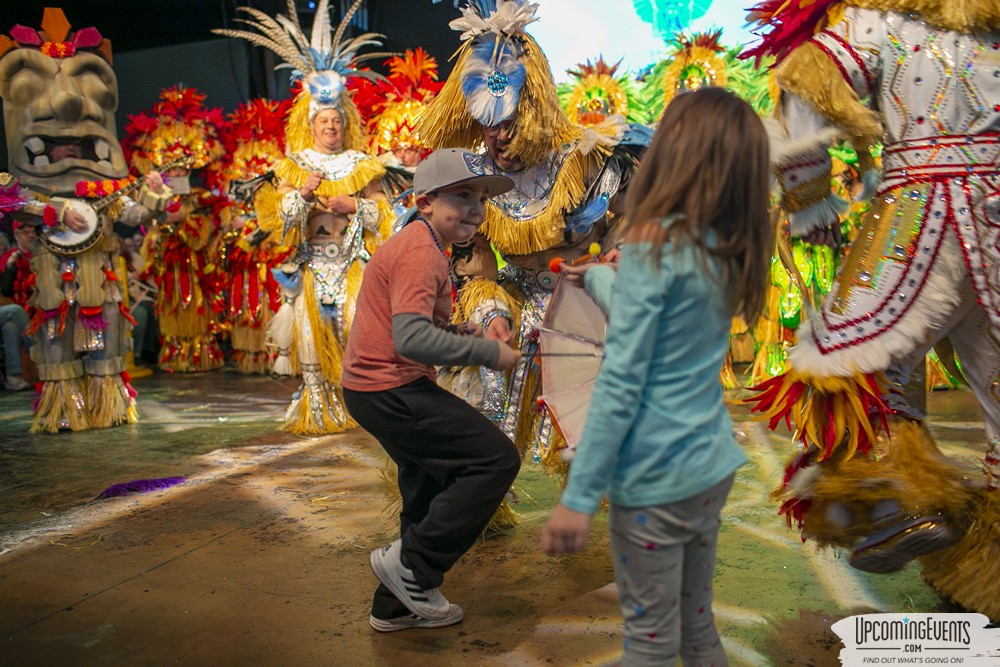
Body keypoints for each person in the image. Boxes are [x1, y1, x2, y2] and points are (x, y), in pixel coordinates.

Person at [742, 0, 1000, 618]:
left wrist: (809, 197)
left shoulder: (877, 21)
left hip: (915, 218)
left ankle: (886, 497)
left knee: (850, 367)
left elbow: (807, 82)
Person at [540, 88, 774, 666]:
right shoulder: (725, 248)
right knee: (696, 627)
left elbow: (622, 383)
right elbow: (654, 316)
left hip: (652, 478)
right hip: (708, 466)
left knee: (649, 642)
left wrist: (579, 496)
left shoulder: (651, 248)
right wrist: (601, 279)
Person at [417, 0, 648, 478]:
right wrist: (492, 314)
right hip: (517, 304)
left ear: (535, 109)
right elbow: (475, 264)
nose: (498, 137)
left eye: (509, 122)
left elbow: (650, 214)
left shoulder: (590, 160)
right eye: (488, 124)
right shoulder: (475, 180)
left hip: (590, 307)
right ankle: (479, 500)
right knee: (475, 407)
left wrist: (623, 255)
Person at [341, 148, 520, 632]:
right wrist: (487, 353)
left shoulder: (422, 244)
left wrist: (463, 333)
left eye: (480, 199)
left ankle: (396, 604)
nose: (475, 209)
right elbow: (412, 339)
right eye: (462, 196)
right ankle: (413, 565)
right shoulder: (421, 252)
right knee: (494, 460)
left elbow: (414, 326)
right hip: (390, 388)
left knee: (426, 484)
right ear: (424, 202)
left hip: (376, 388)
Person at [215, 0, 396, 435]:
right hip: (311, 266)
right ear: (311, 124)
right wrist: (301, 195)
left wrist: (355, 206)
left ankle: (360, 408)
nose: (331, 127)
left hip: (352, 265)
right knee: (313, 342)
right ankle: (318, 409)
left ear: (345, 123)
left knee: (355, 332)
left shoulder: (363, 165)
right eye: (324, 120)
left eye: (336, 120)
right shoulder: (293, 166)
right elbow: (278, 221)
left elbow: (386, 216)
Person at [0, 10, 172, 432]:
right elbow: (11, 201)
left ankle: (108, 407)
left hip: (102, 281)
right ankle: (64, 409)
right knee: (55, 344)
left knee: (108, 341)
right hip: (53, 282)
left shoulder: (104, 192)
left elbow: (134, 214)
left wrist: (155, 193)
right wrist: (57, 211)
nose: (69, 104)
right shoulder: (32, 190)